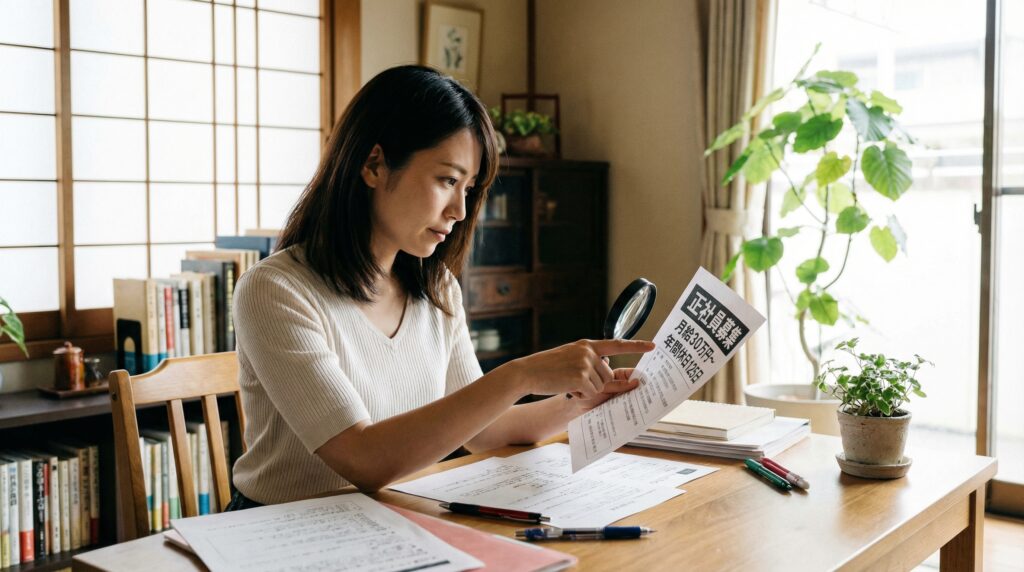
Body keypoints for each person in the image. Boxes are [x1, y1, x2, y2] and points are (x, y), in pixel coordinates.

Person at [228, 65, 654, 509]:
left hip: (391, 516)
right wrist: (521, 375)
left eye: (468, 188)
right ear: (374, 165)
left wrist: (580, 403)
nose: (459, 210)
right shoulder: (275, 290)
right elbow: (362, 459)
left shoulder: (436, 288)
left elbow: (483, 430)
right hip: (277, 528)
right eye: (448, 180)